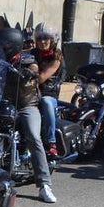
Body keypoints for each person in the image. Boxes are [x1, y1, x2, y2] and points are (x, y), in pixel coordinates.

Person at [0, 26, 55, 203]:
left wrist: (30, 72)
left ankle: (44, 185)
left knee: (33, 137)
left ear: (10, 46)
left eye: (0, 46)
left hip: (27, 106)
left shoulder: (26, 58)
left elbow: (34, 68)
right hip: (4, 105)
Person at [32, 22, 65, 159]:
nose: (42, 41)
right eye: (39, 38)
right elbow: (26, 61)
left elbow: (41, 77)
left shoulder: (56, 57)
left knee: (45, 102)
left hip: (48, 94)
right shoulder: (33, 53)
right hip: (31, 92)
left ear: (53, 39)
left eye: (46, 38)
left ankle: (52, 143)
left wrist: (32, 71)